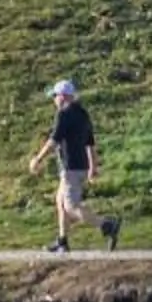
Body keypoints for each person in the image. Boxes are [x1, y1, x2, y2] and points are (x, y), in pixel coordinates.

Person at [26, 79, 121, 253]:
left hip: (71, 168)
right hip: (81, 166)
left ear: (63, 97)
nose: (54, 100)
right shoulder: (82, 113)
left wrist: (38, 159)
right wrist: (93, 166)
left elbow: (54, 140)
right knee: (60, 201)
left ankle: (107, 224)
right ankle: (62, 242)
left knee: (71, 206)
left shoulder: (64, 114)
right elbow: (90, 142)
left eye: (55, 96)